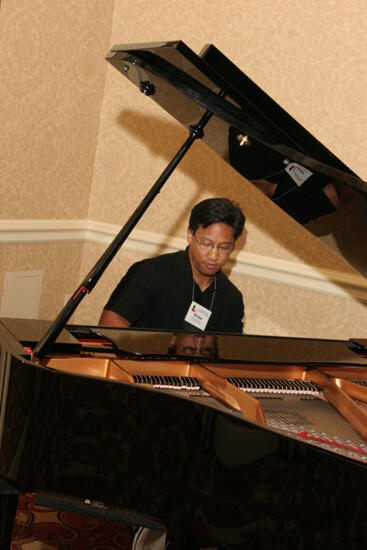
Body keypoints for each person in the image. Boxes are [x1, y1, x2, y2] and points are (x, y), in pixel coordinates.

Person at [99, 197, 245, 333]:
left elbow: (230, 353)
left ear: (233, 247)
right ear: (190, 235)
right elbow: (110, 324)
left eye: (224, 247)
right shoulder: (150, 273)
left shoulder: (232, 298)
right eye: (207, 244)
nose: (214, 256)